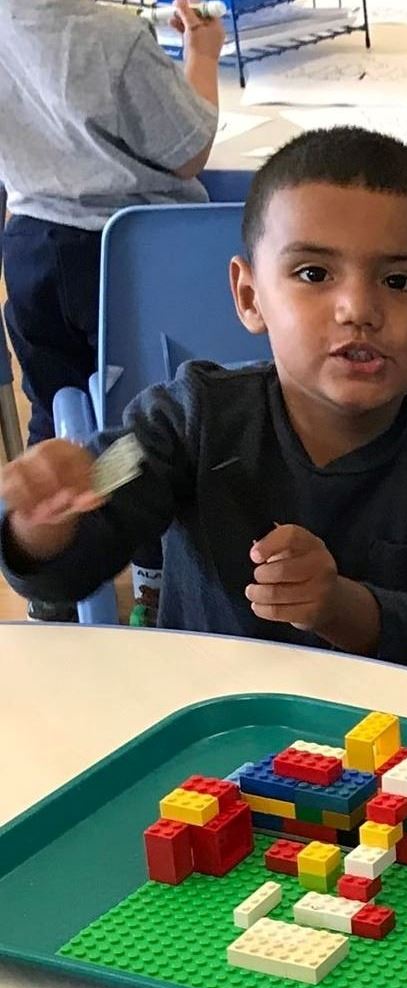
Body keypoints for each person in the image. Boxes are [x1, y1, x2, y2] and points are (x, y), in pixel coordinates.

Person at [0, 128, 407, 681]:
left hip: (386, 748)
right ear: (250, 297)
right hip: (206, 727)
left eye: (400, 280)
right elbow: (73, 568)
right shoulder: (187, 418)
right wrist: (42, 526)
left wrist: (339, 606)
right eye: (314, 274)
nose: (358, 309)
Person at [0, 0, 224, 619]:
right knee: (150, 420)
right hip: (139, 257)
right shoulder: (115, 38)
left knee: (57, 408)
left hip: (32, 250)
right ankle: (153, 572)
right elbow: (191, 148)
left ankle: (54, 582)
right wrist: (202, 56)